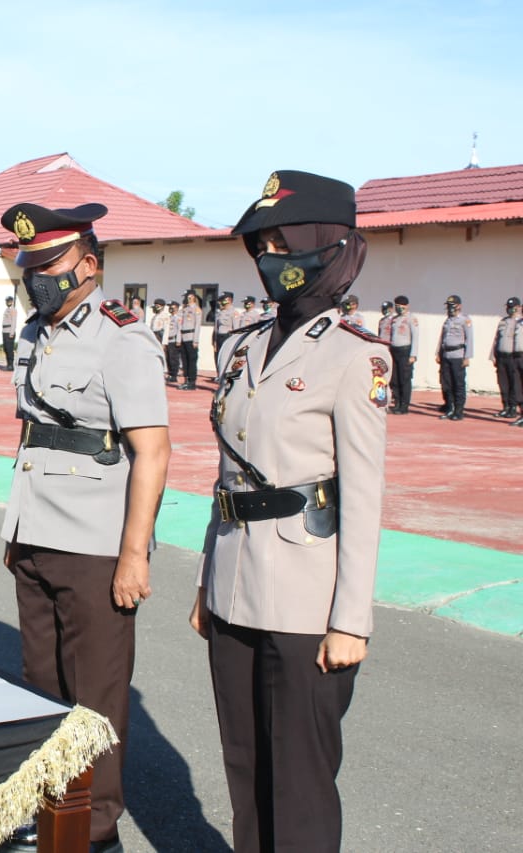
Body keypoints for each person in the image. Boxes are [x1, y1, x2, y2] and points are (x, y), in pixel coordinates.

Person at [190, 169, 388, 853]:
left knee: (300, 785)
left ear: (326, 246)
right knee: (245, 770)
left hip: (308, 599)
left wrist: (350, 621)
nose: (270, 257)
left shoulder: (354, 357)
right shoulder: (241, 345)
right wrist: (205, 583)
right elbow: (228, 473)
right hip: (234, 585)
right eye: (262, 244)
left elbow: (362, 499)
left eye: (283, 242)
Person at [0, 201, 171, 853]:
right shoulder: (33, 334)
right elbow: (31, 434)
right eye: (29, 266)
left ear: (89, 264)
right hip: (38, 536)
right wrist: (15, 528)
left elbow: (151, 450)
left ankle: (95, 831)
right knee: (41, 686)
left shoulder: (122, 338)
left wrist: (135, 556)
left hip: (97, 545)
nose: (37, 276)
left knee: (94, 699)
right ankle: (50, 814)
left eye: (49, 264)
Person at [438, 294, 473, 420]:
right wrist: (438, 353)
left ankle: (459, 411)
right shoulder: (448, 320)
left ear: (459, 306)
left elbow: (469, 339)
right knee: (447, 383)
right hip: (446, 354)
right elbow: (442, 338)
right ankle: (450, 408)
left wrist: (467, 357)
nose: (450, 308)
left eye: (452, 305)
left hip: (458, 355)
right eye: (448, 306)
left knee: (458, 384)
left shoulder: (465, 320)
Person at [490, 297, 522, 418]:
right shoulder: (503, 321)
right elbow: (496, 339)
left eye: (512, 307)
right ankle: (506, 407)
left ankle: (513, 407)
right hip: (501, 357)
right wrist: (493, 355)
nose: (510, 309)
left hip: (513, 357)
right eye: (508, 307)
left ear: (518, 307)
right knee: (503, 383)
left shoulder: (520, 322)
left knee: (514, 384)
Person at [389, 295, 419, 414]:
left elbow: (415, 337)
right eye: (397, 306)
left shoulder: (411, 318)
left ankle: (404, 406)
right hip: (394, 350)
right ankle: (397, 403)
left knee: (404, 379)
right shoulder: (395, 319)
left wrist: (413, 355)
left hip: (405, 351)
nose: (399, 308)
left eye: (401, 306)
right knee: (395, 379)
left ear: (407, 306)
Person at [178, 290, 203, 389]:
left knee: (192, 360)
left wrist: (195, 340)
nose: (186, 299)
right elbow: (180, 324)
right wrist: (179, 339)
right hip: (184, 337)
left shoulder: (196, 309)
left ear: (192, 297)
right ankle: (186, 380)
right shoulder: (184, 309)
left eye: (187, 297)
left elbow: (197, 326)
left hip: (191, 336)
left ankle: (192, 382)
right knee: (184, 360)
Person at [213, 291, 239, 365]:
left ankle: (225, 375)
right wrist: (214, 340)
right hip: (219, 337)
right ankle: (219, 374)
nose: (221, 301)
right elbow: (216, 327)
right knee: (218, 357)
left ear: (229, 300)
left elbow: (236, 329)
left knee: (226, 357)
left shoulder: (234, 312)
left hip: (227, 337)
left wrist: (234, 341)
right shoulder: (220, 312)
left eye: (223, 299)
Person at [165, 300, 183, 383]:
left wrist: (178, 340)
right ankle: (170, 374)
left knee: (174, 359)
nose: (170, 308)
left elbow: (179, 329)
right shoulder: (169, 317)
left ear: (176, 308)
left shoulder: (178, 318)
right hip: (167, 340)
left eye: (171, 307)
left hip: (174, 340)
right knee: (168, 358)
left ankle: (174, 375)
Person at [2, 294, 19, 370]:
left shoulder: (13, 310)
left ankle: (11, 365)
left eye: (9, 301)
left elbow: (14, 322)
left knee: (9, 349)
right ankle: (8, 364)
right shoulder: (7, 309)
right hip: (5, 331)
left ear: (12, 302)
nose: (7, 302)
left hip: (9, 331)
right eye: (7, 301)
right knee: (6, 348)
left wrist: (12, 332)